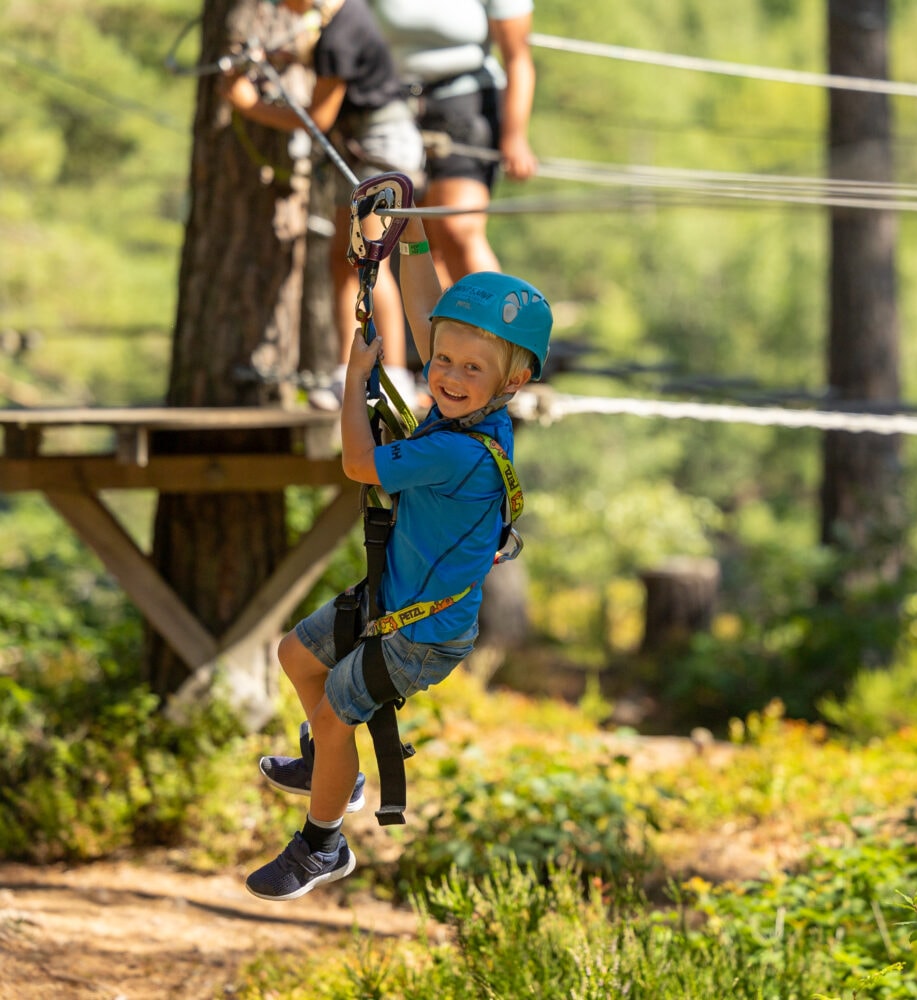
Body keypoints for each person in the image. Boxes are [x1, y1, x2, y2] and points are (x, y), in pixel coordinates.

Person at [244, 214, 552, 900]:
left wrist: (358, 378)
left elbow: (359, 463)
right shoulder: (467, 408)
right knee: (296, 656)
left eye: (472, 368)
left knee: (332, 716)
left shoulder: (455, 449)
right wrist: (411, 237)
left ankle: (322, 845)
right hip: (396, 598)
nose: (448, 375)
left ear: (513, 381)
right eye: (443, 360)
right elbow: (424, 316)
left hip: (421, 632)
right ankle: (337, 768)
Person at [222, 0, 425, 409]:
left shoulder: (338, 31)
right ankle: (346, 371)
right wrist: (274, 57)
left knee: (369, 261)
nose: (281, 6)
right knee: (344, 259)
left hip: (380, 146)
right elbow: (319, 57)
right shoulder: (334, 19)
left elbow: (317, 118)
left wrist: (247, 105)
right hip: (362, 146)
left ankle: (396, 375)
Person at [371, 0, 539, 285]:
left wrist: (515, 136)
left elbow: (518, 58)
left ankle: (499, 324)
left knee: (457, 229)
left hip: (465, 102)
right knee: (420, 243)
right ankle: (443, 329)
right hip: (393, 104)